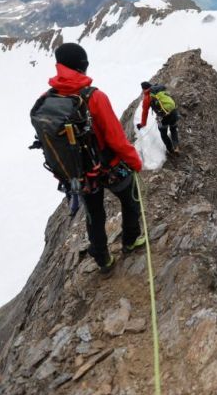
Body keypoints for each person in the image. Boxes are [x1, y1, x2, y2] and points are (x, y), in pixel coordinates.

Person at [48, 43, 146, 273]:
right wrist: (134, 162)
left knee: (94, 214)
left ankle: (103, 259)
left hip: (80, 173)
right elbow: (116, 139)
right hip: (107, 167)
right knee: (131, 199)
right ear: (83, 66)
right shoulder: (95, 97)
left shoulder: (49, 99)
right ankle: (131, 241)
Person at [136, 80, 181, 154]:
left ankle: (170, 150)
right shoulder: (159, 89)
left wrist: (142, 124)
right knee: (173, 129)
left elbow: (145, 113)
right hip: (173, 112)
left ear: (144, 89)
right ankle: (176, 146)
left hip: (163, 117)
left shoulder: (147, 98)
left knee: (163, 134)